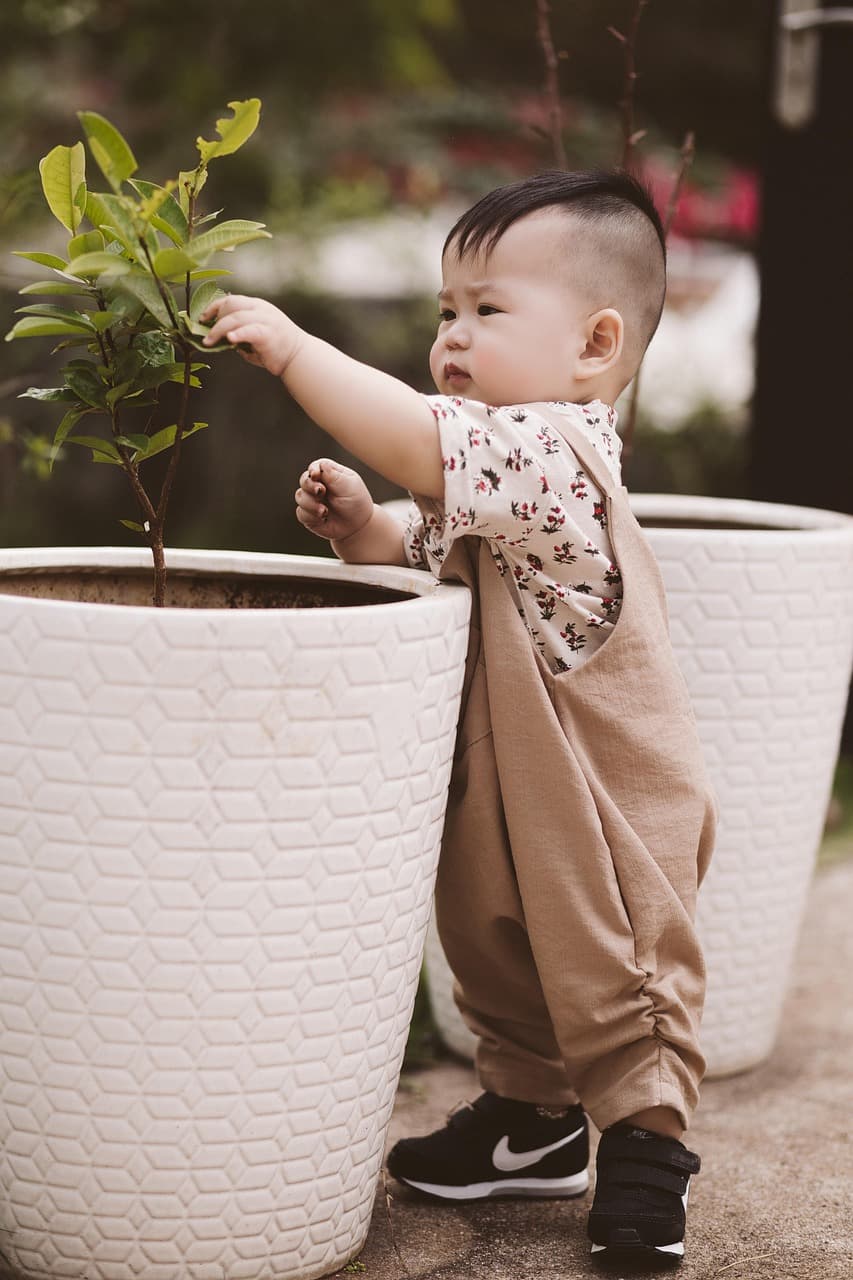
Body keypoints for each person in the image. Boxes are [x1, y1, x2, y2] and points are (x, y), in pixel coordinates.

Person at [200, 168, 716, 1265]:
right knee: (500, 954)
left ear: (594, 345)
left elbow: (420, 442)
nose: (452, 336)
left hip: (597, 805)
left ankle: (648, 1145)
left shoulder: (552, 455)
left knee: (617, 970)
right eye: (444, 310)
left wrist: (295, 351)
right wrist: (360, 532)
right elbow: (424, 536)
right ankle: (535, 1123)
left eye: (487, 310)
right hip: (510, 784)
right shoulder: (499, 477)